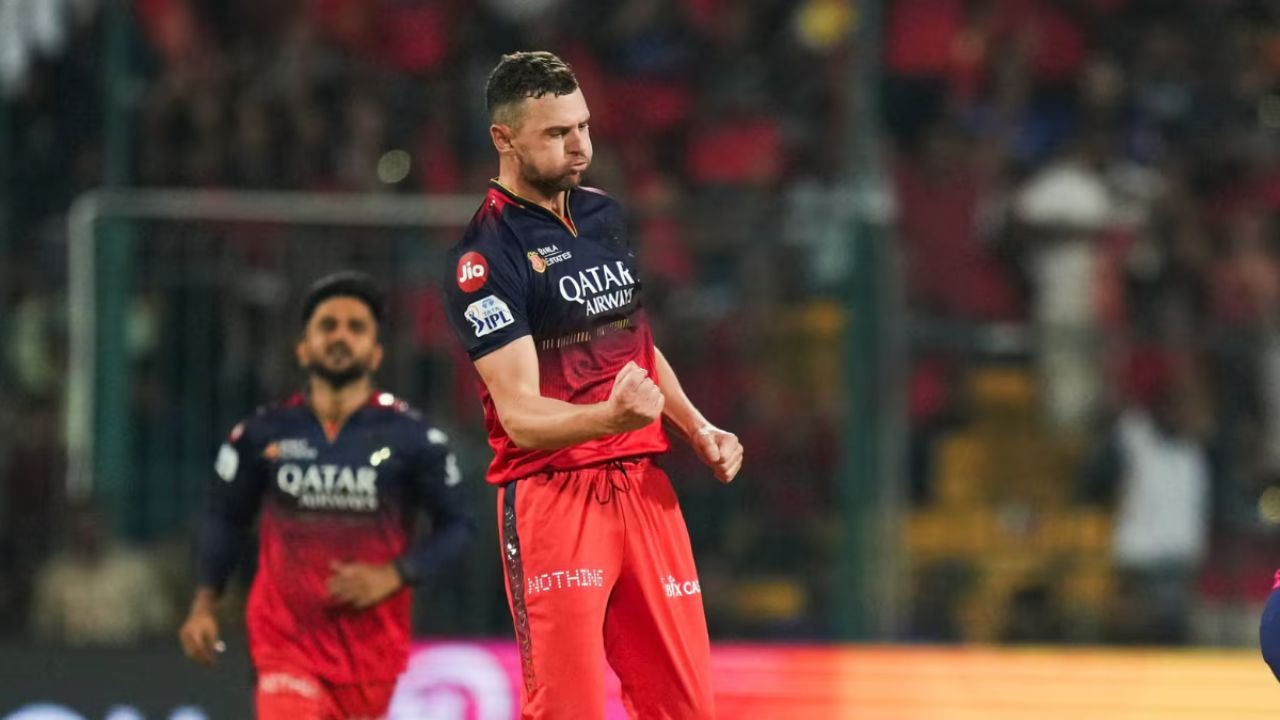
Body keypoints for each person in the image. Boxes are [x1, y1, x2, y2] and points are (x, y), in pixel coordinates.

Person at [443, 51, 744, 719]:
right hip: (556, 496)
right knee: (569, 709)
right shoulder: (485, 256)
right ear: (504, 139)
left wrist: (697, 427)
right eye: (557, 133)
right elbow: (520, 416)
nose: (579, 145)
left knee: (685, 709)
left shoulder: (604, 216)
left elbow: (634, 345)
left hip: (644, 490)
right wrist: (609, 419)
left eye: (582, 126)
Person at [178, 271, 474, 719]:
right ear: (303, 347)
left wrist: (395, 573)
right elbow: (225, 519)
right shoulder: (262, 434)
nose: (340, 337)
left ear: (375, 353)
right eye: (327, 326)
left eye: (356, 328)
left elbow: (458, 526)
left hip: (372, 654)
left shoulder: (413, 438)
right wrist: (204, 605)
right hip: (284, 646)